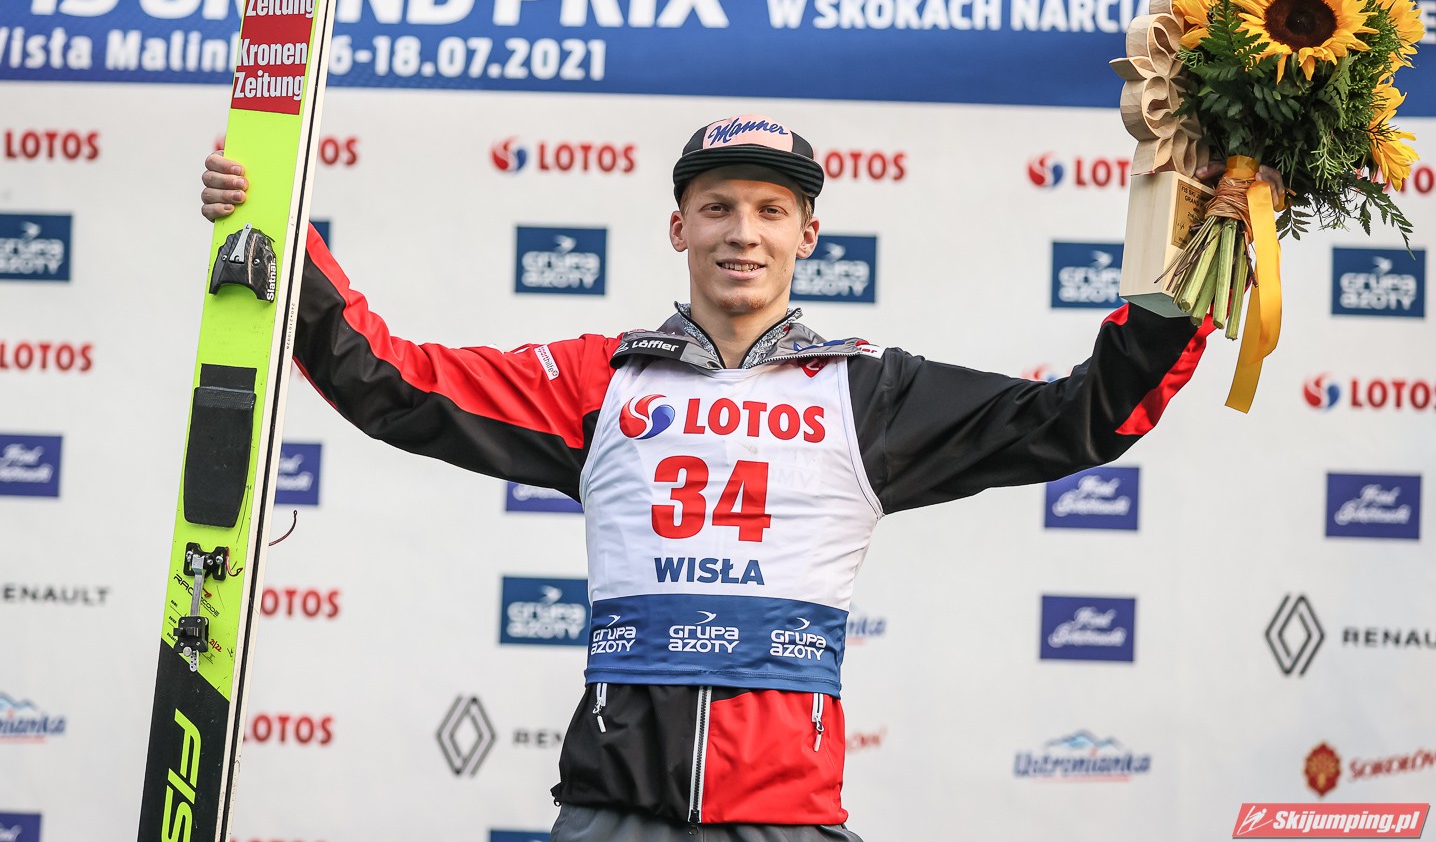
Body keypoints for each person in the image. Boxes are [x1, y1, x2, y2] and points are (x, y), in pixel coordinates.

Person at [201, 114, 1211, 841]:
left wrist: (1196, 258)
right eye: (717, 206)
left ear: (808, 235)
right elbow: (393, 384)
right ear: (678, 226)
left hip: (785, 818)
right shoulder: (597, 382)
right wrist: (279, 227)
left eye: (772, 210)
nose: (743, 232)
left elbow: (1080, 417)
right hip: (612, 812)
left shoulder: (867, 393)